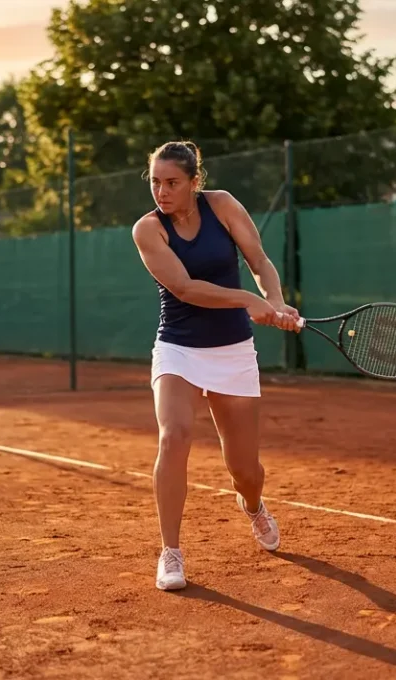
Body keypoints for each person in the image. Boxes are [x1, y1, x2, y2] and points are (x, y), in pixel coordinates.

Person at [129, 141, 300, 591]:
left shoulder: (222, 206)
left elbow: (259, 261)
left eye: (172, 183)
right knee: (174, 434)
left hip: (233, 352)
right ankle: (171, 551)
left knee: (244, 469)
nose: (161, 192)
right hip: (178, 349)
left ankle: (254, 506)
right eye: (155, 182)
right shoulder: (147, 230)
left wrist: (276, 303)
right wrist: (248, 300)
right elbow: (184, 287)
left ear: (194, 182)